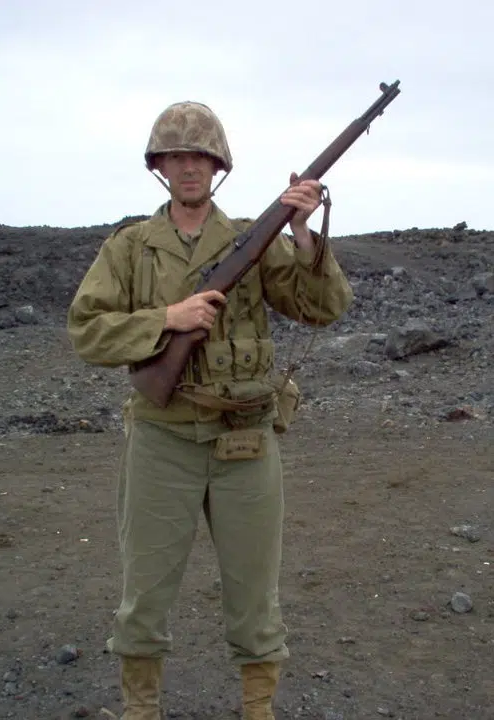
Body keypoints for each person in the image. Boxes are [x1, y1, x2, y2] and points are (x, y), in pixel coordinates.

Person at [67, 101, 353, 720]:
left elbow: (323, 308)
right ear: (159, 167)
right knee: (144, 593)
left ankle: (258, 710)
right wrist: (165, 320)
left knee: (255, 594)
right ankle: (141, 710)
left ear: (217, 166)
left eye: (199, 156)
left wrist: (302, 234)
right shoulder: (130, 247)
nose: (187, 166)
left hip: (245, 439)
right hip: (161, 439)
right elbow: (87, 331)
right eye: (175, 156)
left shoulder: (254, 240)